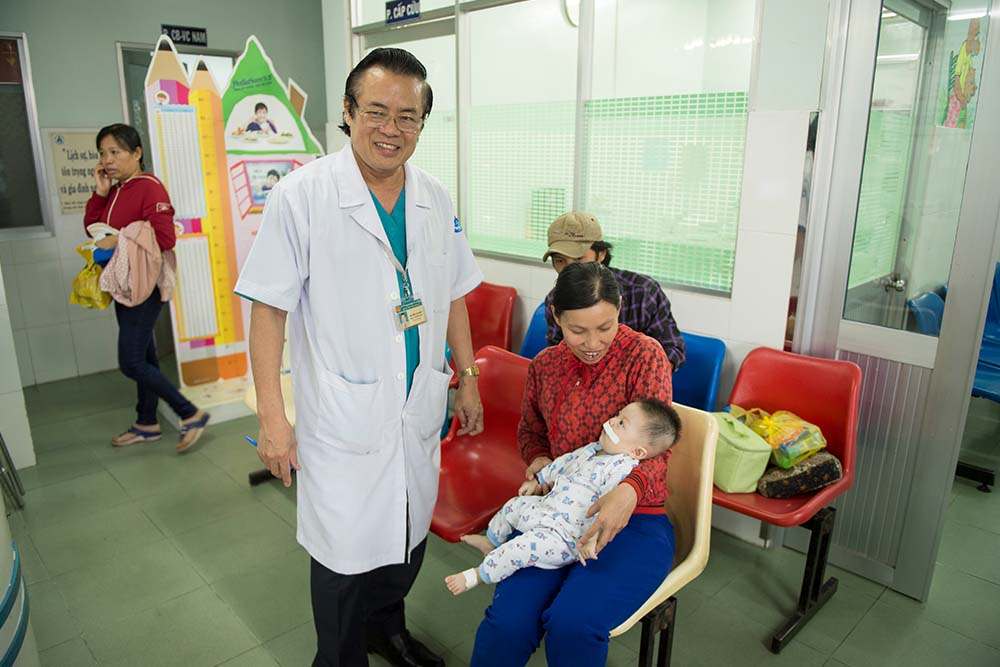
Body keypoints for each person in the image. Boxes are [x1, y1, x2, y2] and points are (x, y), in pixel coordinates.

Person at [234, 48, 484, 667]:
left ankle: (387, 631)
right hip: (343, 417)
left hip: (417, 405)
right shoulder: (302, 196)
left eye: (408, 116)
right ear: (348, 113)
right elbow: (268, 309)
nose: (391, 129)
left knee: (407, 539)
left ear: (423, 123)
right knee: (344, 559)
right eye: (375, 111)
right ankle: (341, 655)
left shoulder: (435, 198)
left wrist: (469, 377)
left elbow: (452, 293)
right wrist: (272, 417)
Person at [471, 262, 675, 667]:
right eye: (578, 330)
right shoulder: (546, 366)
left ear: (620, 311)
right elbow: (531, 432)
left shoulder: (644, 356)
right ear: (556, 318)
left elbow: (658, 450)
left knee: (573, 623)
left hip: (634, 520)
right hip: (558, 516)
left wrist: (629, 491)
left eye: (606, 326)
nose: (593, 342)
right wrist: (541, 461)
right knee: (507, 623)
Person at [445, 399, 681, 595]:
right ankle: (492, 541)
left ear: (637, 451)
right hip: (546, 508)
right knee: (512, 506)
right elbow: (562, 464)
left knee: (521, 548)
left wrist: (592, 541)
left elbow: (607, 511)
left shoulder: (620, 469)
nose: (611, 421)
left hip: (563, 536)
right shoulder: (592, 449)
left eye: (621, 423)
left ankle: (479, 575)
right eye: (617, 415)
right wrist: (537, 481)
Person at [83, 124, 210, 452]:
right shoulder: (115, 189)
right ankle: (146, 422)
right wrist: (99, 193)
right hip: (123, 284)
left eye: (115, 152)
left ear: (137, 153)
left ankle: (189, 413)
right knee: (145, 356)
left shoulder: (149, 187)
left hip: (144, 286)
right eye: (102, 153)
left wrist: (121, 237)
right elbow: (91, 228)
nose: (107, 160)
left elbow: (166, 239)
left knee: (131, 361)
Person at [542, 211, 686, 370]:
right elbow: (558, 355)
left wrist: (646, 378)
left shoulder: (643, 292)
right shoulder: (555, 300)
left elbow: (673, 350)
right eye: (560, 261)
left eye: (578, 259)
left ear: (601, 254)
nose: (570, 269)